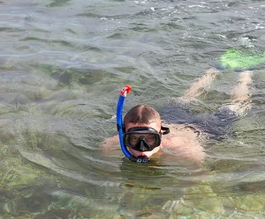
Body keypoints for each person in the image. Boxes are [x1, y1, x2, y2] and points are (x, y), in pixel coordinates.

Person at [102, 68, 254, 164]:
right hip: (172, 120)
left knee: (235, 107)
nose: (142, 148)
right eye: (134, 139)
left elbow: (198, 173)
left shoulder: (184, 148)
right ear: (123, 134)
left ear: (161, 134)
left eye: (150, 139)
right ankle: (211, 72)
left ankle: (244, 74)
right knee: (185, 99)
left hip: (203, 128)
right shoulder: (110, 144)